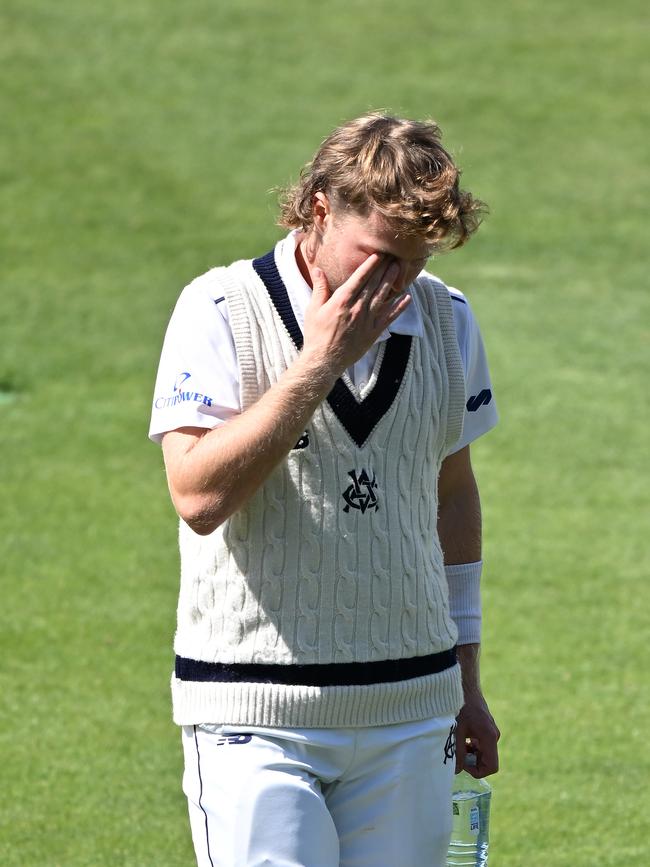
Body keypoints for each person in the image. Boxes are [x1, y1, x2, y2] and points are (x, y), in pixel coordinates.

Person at [149, 112, 500, 867]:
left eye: (415, 260)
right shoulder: (217, 311)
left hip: (412, 706)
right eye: (380, 257)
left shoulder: (448, 318)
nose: (398, 283)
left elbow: (453, 498)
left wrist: (466, 681)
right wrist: (317, 365)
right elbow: (197, 496)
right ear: (319, 209)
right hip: (254, 715)